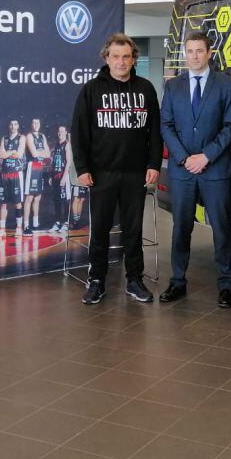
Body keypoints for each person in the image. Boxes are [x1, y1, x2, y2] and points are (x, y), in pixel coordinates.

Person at [71, 32, 162, 305]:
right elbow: (79, 132)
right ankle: (96, 280)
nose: (121, 62)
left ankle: (134, 279)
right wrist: (83, 167)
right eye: (116, 56)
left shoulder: (146, 88)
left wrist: (154, 164)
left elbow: (155, 132)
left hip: (135, 173)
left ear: (134, 59)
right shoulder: (91, 89)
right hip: (102, 173)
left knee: (133, 229)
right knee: (99, 229)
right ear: (106, 58)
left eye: (126, 57)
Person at [160, 31, 231, 307]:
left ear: (209, 53)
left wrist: (205, 156)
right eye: (189, 51)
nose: (194, 56)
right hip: (182, 171)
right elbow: (166, 126)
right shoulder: (173, 86)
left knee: (221, 228)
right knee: (181, 227)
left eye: (199, 51)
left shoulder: (225, 84)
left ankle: (227, 285)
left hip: (214, 169)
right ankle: (178, 281)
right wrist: (184, 158)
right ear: (185, 53)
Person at [0, 119, 26, 239]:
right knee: (3, 203)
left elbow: (18, 154)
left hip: (16, 173)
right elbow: (0, 155)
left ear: (18, 126)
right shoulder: (4, 138)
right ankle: (2, 230)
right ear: (9, 126)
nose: (13, 126)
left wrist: (7, 153)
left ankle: (19, 228)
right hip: (4, 173)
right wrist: (11, 152)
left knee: (17, 202)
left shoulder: (21, 138)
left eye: (15, 124)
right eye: (11, 124)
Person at [23, 118, 50, 235]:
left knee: (38, 197)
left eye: (38, 122)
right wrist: (42, 152)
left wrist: (42, 153)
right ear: (31, 124)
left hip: (40, 167)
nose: (36, 124)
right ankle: (26, 225)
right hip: (31, 167)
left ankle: (35, 223)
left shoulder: (42, 136)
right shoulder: (29, 136)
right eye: (33, 122)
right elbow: (34, 154)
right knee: (29, 197)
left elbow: (48, 154)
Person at [49, 124, 73, 232]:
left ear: (66, 133)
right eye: (58, 131)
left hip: (64, 176)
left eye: (62, 131)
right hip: (55, 175)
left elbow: (69, 162)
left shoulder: (67, 145)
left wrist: (64, 177)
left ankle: (67, 222)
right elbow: (53, 162)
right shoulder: (56, 145)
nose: (60, 133)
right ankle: (57, 222)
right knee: (57, 200)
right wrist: (51, 175)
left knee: (65, 200)